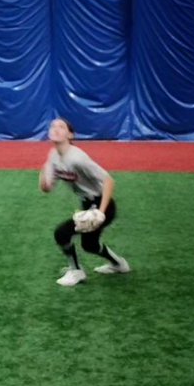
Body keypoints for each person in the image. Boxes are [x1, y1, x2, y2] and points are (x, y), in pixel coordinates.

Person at [40, 118, 130, 286]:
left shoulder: (77, 158)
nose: (56, 128)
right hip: (88, 204)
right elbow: (46, 188)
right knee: (90, 245)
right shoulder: (53, 155)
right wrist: (45, 167)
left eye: (61, 126)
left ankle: (76, 271)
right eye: (53, 126)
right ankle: (119, 264)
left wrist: (100, 213)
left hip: (103, 204)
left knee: (61, 233)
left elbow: (109, 181)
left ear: (70, 134)